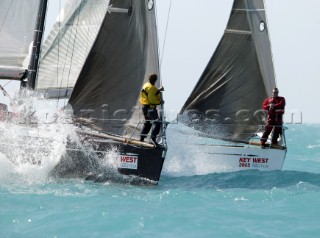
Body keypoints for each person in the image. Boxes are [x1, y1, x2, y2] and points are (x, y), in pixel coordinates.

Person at [139, 73, 164, 146]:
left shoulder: (146, 85)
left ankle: (142, 138)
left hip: (145, 108)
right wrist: (160, 102)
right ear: (155, 80)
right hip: (150, 108)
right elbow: (152, 100)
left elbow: (150, 94)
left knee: (148, 123)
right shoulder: (151, 88)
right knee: (157, 123)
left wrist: (158, 91)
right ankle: (153, 139)